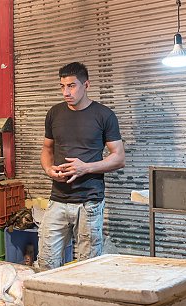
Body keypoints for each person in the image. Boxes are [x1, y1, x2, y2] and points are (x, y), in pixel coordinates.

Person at [38, 62, 125, 270]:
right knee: (45, 263)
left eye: (72, 86)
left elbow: (119, 158)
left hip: (89, 202)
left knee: (88, 266)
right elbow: (46, 149)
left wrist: (85, 168)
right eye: (62, 86)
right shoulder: (54, 113)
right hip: (57, 199)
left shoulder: (104, 115)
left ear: (86, 85)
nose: (66, 92)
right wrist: (49, 169)